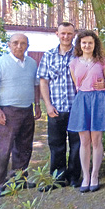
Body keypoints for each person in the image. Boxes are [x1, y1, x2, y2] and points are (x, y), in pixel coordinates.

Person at [38, 22, 82, 190]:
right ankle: (57, 179)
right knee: (56, 145)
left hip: (75, 109)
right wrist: (47, 105)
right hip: (55, 109)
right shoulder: (48, 55)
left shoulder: (79, 56)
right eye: (63, 33)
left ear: (74, 35)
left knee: (76, 145)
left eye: (69, 33)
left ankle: (73, 177)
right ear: (57, 33)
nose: (66, 36)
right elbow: (43, 82)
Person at [67, 30, 105, 193]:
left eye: (90, 43)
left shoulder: (103, 62)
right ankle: (85, 176)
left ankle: (95, 175)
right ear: (79, 44)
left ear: (95, 45)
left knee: (96, 140)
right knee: (84, 140)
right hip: (82, 101)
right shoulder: (73, 63)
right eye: (84, 42)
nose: (87, 45)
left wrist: (104, 85)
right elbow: (77, 84)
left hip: (98, 100)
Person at [0, 34, 41, 197]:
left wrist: (37, 105)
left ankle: (19, 179)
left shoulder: (31, 63)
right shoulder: (0, 62)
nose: (19, 46)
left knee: (24, 147)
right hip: (7, 110)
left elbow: (36, 86)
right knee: (2, 148)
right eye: (15, 43)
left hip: (26, 109)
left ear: (27, 46)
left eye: (23, 43)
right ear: (9, 45)